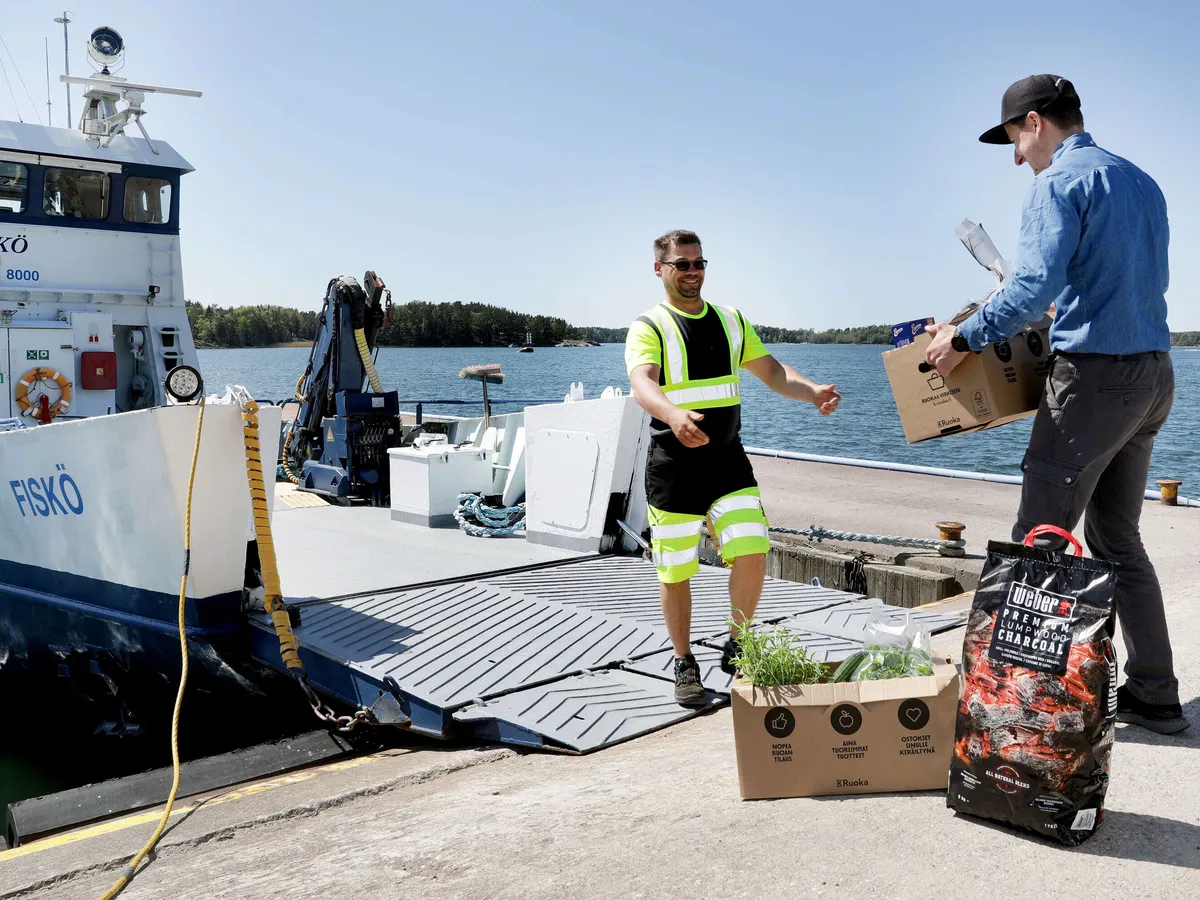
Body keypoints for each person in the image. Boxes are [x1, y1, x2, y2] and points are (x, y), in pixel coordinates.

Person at [926, 75, 1187, 734]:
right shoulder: (1140, 181)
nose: (1017, 156)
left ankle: (1017, 706)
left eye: (1014, 138)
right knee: (1118, 540)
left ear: (1036, 123)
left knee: (1038, 541)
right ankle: (1155, 693)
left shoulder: (1057, 183)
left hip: (1094, 383)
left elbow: (1033, 281)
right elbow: (1111, 281)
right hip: (1153, 375)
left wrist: (963, 335)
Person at [625, 229, 840, 707]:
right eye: (681, 264)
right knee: (675, 572)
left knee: (753, 549)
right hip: (674, 467)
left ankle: (737, 643)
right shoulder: (650, 327)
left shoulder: (731, 321)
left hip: (727, 462)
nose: (692, 272)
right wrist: (672, 414)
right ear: (659, 269)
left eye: (699, 262)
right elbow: (643, 383)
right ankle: (684, 661)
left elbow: (774, 371)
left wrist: (813, 392)